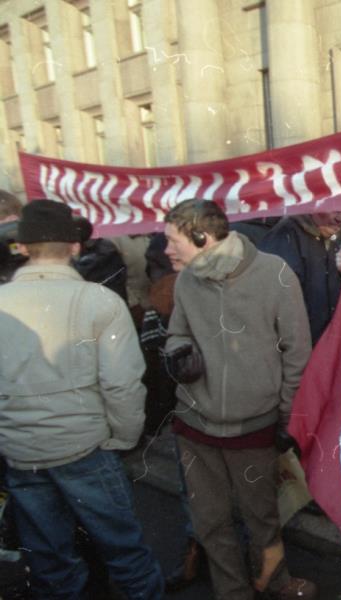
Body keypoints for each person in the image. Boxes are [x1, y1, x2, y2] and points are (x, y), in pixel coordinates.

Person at [0, 199, 164, 598]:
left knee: (51, 564)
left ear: (23, 247)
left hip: (22, 453)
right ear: (75, 246)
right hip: (85, 447)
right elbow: (123, 384)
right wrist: (124, 437)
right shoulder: (99, 301)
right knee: (125, 554)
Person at [162, 199, 316, 600]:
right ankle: (232, 592)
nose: (166, 250)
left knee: (262, 516)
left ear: (202, 237)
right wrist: (179, 353)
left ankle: (276, 582)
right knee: (210, 521)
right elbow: (177, 332)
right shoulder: (185, 280)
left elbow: (297, 353)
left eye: (173, 240)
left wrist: (287, 418)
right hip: (194, 425)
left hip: (254, 425)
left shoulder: (275, 273)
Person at [258, 210, 341, 343]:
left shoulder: (330, 238)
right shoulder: (285, 236)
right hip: (296, 344)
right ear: (315, 207)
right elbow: (278, 302)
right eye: (335, 211)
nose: (340, 219)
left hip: (320, 341)